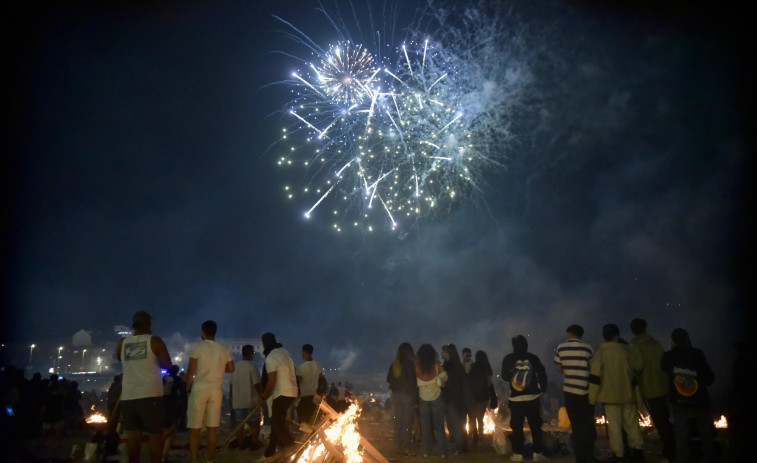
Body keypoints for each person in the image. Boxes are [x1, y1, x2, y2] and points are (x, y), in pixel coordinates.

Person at [117, 311, 172, 463]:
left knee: (133, 436)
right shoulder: (155, 341)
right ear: (149, 325)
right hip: (150, 396)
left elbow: (120, 360)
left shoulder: (122, 343)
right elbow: (167, 364)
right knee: (155, 435)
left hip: (129, 397)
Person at [589, 324, 644, 463]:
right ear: (617, 336)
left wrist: (592, 398)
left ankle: (619, 455)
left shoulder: (599, 352)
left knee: (614, 428)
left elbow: (594, 377)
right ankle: (638, 451)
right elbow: (637, 369)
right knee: (632, 425)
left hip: (609, 396)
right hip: (627, 394)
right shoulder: (626, 350)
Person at [660, 328, 716, 463]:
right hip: (700, 401)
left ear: (672, 341)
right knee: (707, 437)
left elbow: (664, 368)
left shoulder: (668, 357)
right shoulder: (698, 354)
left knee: (681, 438)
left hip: (679, 403)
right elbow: (709, 379)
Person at [185, 320, 234, 463]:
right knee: (212, 428)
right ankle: (210, 460)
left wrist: (187, 389)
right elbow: (231, 369)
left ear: (203, 332)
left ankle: (194, 460)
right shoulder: (223, 348)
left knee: (195, 428)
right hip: (216, 390)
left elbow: (190, 372)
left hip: (200, 388)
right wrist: (219, 369)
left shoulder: (197, 347)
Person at [629, 319, 674, 461]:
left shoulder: (635, 345)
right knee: (665, 419)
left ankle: (671, 450)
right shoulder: (656, 344)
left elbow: (637, 365)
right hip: (663, 385)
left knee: (659, 421)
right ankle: (672, 446)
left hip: (649, 387)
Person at [501, 335, 548, 462]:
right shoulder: (533, 358)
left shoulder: (508, 358)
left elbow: (505, 376)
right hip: (532, 397)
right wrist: (543, 389)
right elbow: (542, 373)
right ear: (526, 345)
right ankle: (537, 453)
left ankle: (518, 453)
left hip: (516, 399)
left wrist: (514, 374)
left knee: (517, 427)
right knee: (535, 426)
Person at [554, 324, 596, 463]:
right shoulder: (588, 348)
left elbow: (559, 367)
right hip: (585, 391)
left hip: (570, 391)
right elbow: (593, 368)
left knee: (576, 426)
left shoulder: (561, 347)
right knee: (587, 424)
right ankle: (589, 455)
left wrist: (570, 371)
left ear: (570, 334)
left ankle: (580, 457)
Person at [260, 332, 298, 458]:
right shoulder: (284, 352)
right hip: (292, 391)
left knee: (276, 424)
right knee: (278, 424)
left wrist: (263, 396)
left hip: (282, 393)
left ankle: (293, 447)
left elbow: (271, 382)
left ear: (265, 344)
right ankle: (275, 451)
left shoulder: (271, 357)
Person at [416, 343, 448, 457]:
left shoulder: (417, 366)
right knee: (439, 425)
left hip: (423, 397)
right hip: (437, 396)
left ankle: (426, 451)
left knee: (425, 426)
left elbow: (415, 380)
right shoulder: (437, 365)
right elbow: (445, 376)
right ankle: (443, 452)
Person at [386, 342, 418, 456]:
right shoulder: (409, 364)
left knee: (398, 422)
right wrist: (415, 399)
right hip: (406, 395)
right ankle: (407, 448)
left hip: (395, 395)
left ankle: (396, 447)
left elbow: (388, 379)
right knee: (407, 422)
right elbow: (412, 382)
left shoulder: (394, 364)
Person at [230, 344, 262, 449]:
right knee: (255, 423)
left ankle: (240, 443)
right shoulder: (252, 367)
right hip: (251, 401)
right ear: (251, 354)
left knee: (240, 425)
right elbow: (257, 384)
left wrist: (232, 398)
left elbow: (231, 385)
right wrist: (261, 396)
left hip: (238, 402)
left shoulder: (235, 367)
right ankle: (254, 443)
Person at [442, 344, 468, 455]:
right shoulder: (458, 365)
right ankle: (463, 446)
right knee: (461, 423)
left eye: (444, 351)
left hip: (453, 398)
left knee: (456, 424)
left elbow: (450, 383)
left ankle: (459, 448)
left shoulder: (449, 366)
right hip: (462, 398)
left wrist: (443, 385)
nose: (442, 353)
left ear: (448, 353)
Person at [467, 350, 494, 445]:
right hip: (484, 397)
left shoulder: (474, 367)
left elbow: (469, 381)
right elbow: (490, 384)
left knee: (473, 418)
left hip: (475, 396)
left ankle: (473, 437)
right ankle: (481, 438)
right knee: (480, 418)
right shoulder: (487, 368)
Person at [162, 365, 185, 462]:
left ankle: (161, 452)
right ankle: (164, 456)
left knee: (164, 428)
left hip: (162, 405)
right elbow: (182, 392)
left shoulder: (164, 378)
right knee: (172, 430)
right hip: (173, 406)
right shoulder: (177, 380)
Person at [297, 344, 324, 427]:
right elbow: (321, 379)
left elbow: (298, 382)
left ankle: (305, 437)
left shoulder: (301, 367)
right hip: (314, 397)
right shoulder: (318, 365)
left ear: (305, 352)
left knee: (303, 422)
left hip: (305, 397)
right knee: (313, 421)